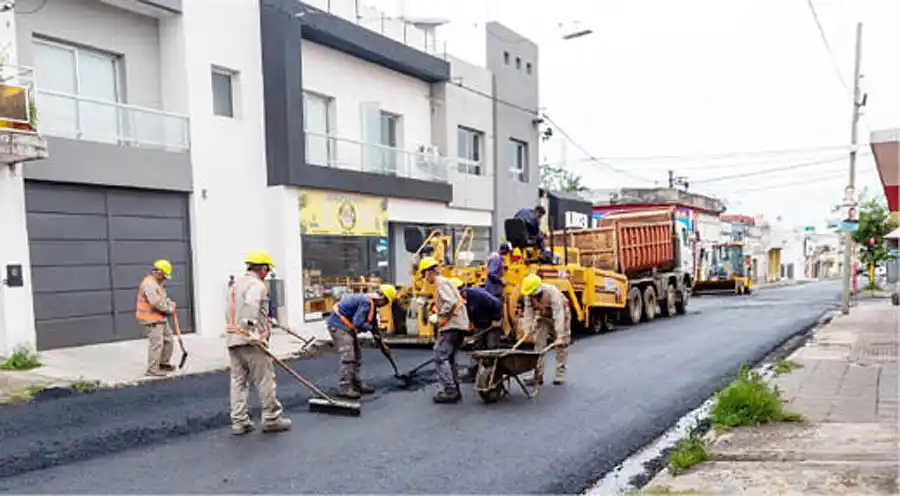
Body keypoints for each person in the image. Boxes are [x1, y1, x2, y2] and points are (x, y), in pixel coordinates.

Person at [225, 250, 291, 436]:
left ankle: (239, 422)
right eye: (267, 270)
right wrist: (251, 330)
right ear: (262, 268)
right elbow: (251, 306)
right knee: (265, 380)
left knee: (238, 382)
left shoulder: (236, 284)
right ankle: (272, 419)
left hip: (233, 339)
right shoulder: (256, 285)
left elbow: (231, 310)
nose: (268, 274)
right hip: (251, 341)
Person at [325, 284, 397, 399]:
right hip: (338, 325)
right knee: (348, 356)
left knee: (357, 355)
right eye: (386, 302)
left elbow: (373, 324)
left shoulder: (371, 304)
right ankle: (346, 387)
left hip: (347, 326)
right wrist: (369, 328)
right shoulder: (366, 302)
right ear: (383, 299)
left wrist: (379, 339)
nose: (385, 305)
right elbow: (358, 322)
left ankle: (356, 383)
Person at [419, 256, 469, 403]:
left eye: (424, 274)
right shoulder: (445, 282)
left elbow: (451, 302)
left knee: (440, 355)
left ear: (429, 272)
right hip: (457, 325)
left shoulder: (441, 283)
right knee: (450, 357)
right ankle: (455, 388)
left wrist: (439, 315)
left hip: (452, 326)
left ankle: (449, 390)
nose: (424, 278)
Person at [520, 273, 571, 386]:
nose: (530, 296)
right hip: (543, 316)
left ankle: (560, 374)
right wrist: (527, 330)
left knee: (562, 345)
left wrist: (559, 336)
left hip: (560, 315)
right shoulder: (528, 295)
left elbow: (559, 315)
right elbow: (528, 313)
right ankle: (537, 374)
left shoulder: (553, 292)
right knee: (539, 344)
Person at [450, 278, 503, 382]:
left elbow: (496, 303)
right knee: (477, 348)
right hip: (479, 324)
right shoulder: (460, 300)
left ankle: (494, 374)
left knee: (491, 348)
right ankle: (475, 373)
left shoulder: (478, 295)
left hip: (492, 323)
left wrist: (496, 319)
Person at [135, 259, 177, 377]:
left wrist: (169, 303)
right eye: (164, 276)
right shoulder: (149, 284)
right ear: (158, 272)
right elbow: (155, 302)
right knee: (156, 344)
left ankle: (163, 363)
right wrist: (169, 309)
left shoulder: (157, 283)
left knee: (168, 340)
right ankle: (152, 369)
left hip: (160, 317)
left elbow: (162, 298)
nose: (165, 279)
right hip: (151, 320)